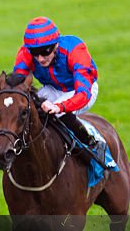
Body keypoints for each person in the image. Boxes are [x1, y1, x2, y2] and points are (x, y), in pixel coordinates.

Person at [12, 16, 108, 166]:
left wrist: (59, 106)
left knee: (57, 112)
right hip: (52, 88)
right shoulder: (26, 53)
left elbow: (83, 94)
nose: (40, 59)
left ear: (56, 44)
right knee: (29, 108)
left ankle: (93, 141)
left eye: (45, 52)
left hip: (81, 90)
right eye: (35, 54)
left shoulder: (75, 50)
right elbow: (17, 81)